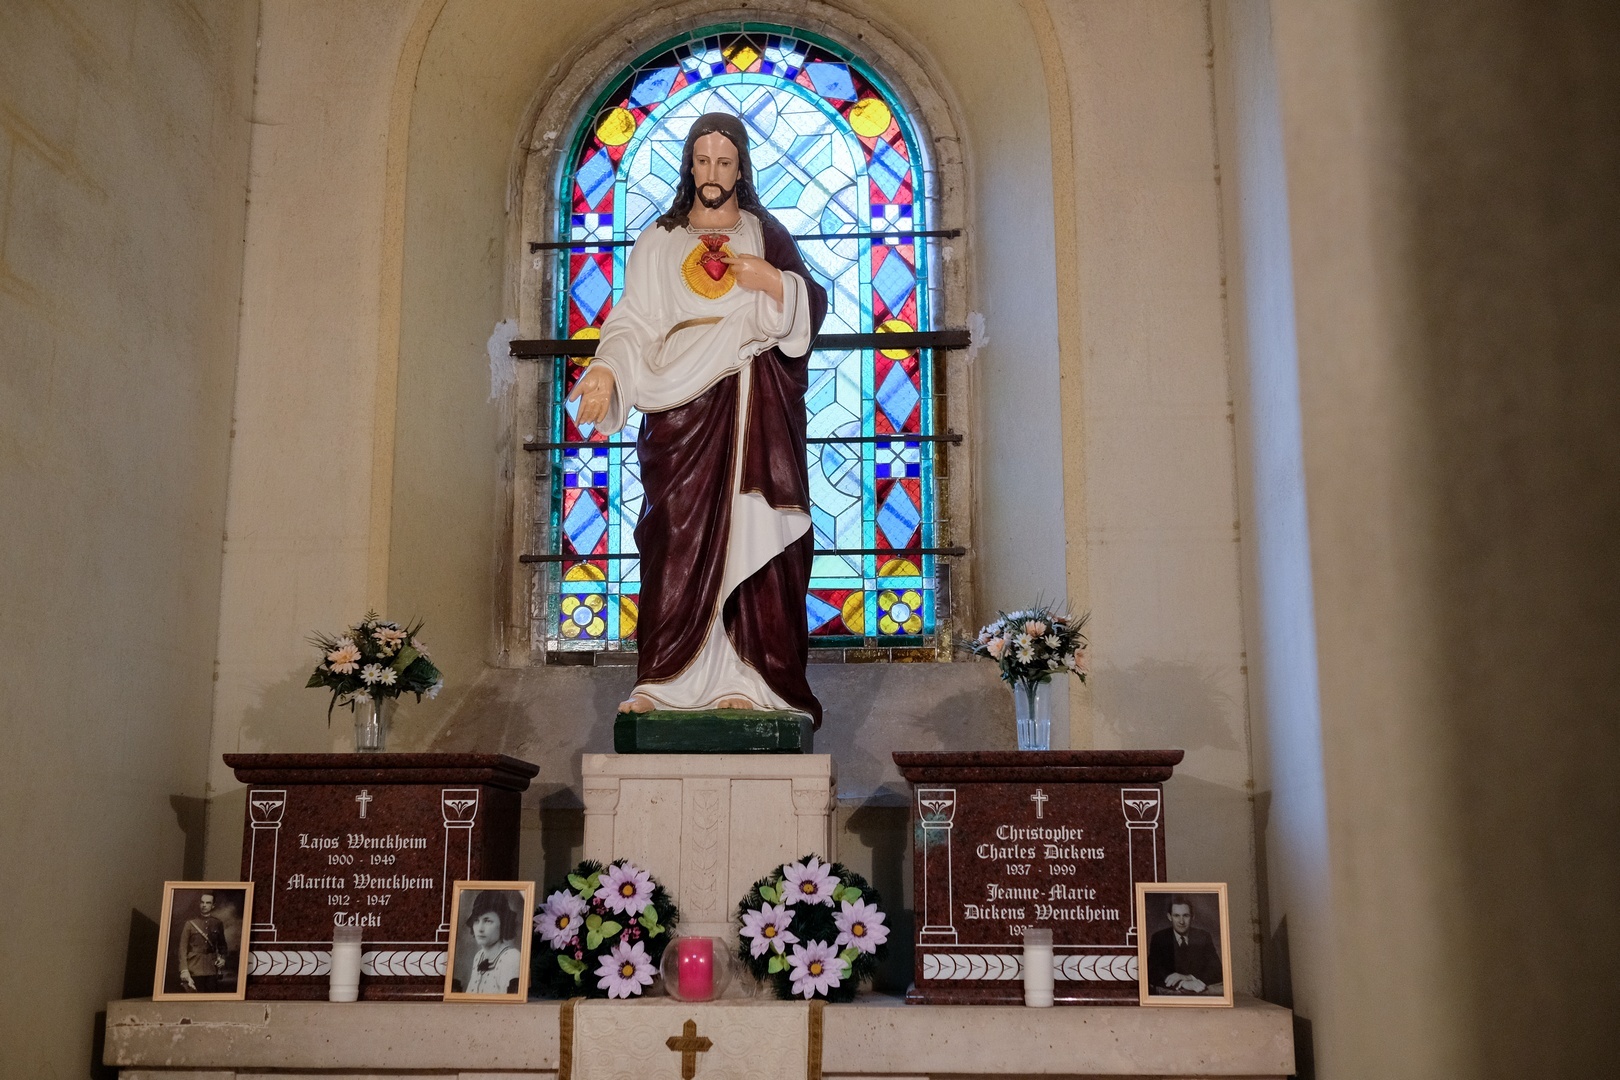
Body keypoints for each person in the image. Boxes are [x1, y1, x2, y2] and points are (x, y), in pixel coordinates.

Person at [569, 111, 827, 725]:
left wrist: (774, 281)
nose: (713, 172)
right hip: (678, 410)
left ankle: (751, 681)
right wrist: (606, 368)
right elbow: (633, 320)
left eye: (724, 162)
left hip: (750, 402)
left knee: (753, 534)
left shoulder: (764, 232)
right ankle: (666, 682)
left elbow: (811, 302)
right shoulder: (659, 239)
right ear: (689, 165)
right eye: (703, 160)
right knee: (675, 540)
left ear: (741, 169)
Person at [1146, 895, 1224, 995]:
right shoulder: (1159, 938)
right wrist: (1182, 983)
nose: (1181, 921)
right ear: (1169, 917)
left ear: (1193, 917)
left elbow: (1217, 970)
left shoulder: (1203, 936)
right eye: (1176, 916)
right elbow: (1152, 971)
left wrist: (1188, 977)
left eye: (1186, 915)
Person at [461, 891, 523, 995]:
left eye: (487, 921)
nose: (480, 929)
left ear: (503, 924)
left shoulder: (512, 958)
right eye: (476, 921)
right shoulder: (479, 956)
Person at [176, 892, 230, 993]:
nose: (204, 905)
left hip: (211, 968)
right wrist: (184, 969)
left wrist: (222, 958)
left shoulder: (217, 923)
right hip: (193, 968)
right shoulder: (190, 924)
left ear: (213, 906)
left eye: (208, 903)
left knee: (211, 996)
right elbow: (182, 949)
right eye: (202, 902)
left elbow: (222, 945)